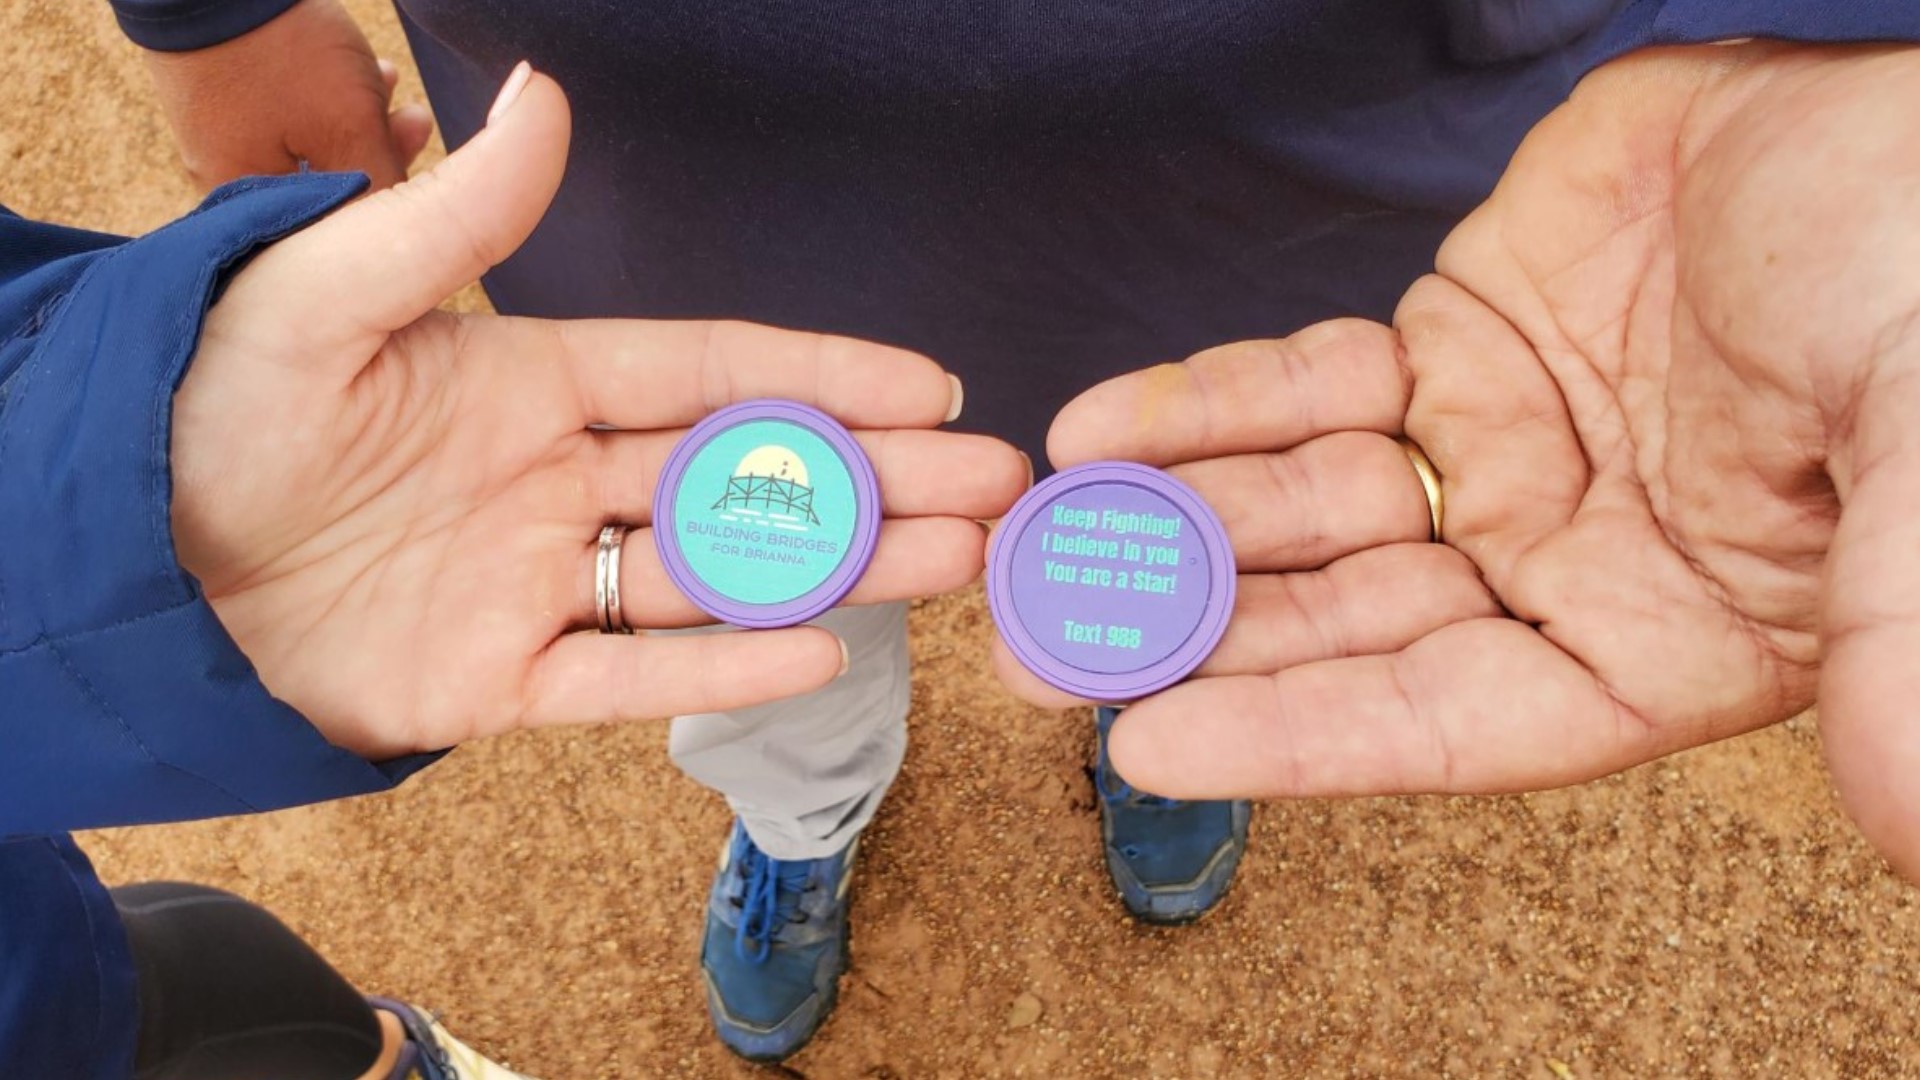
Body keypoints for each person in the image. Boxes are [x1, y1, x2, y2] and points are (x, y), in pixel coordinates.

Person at [107, 0, 1920, 1062]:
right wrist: (214, 13)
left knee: (1242, 582)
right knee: (762, 640)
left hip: (1283, 257)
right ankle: (801, 817)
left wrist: (1836, 52)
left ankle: (1166, 745)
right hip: (686, 237)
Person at [0, 68, 1025, 1079]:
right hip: (657, 222)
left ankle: (1160, 691)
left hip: (1131, 282)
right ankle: (801, 821)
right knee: (764, 626)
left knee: (1137, 546)